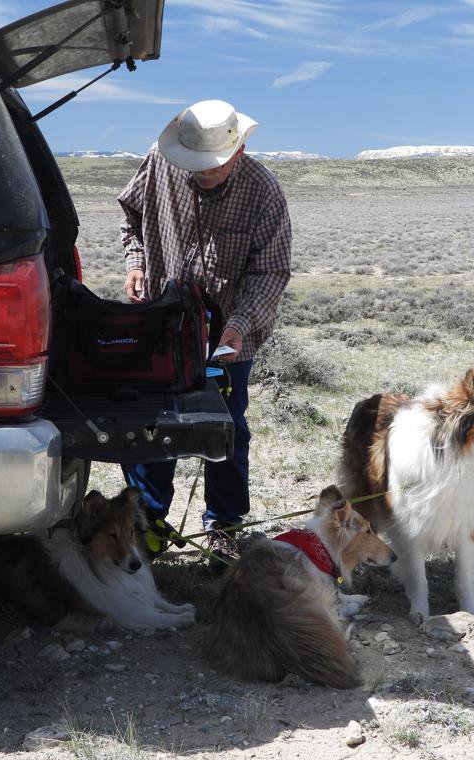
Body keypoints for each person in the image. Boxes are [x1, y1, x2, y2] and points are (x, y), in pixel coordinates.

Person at [118, 99, 292, 561]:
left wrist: (239, 326)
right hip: (162, 323)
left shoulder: (263, 191)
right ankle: (147, 525)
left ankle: (225, 527)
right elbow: (131, 215)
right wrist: (136, 262)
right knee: (154, 425)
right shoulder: (159, 163)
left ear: (238, 150)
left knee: (226, 429)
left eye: (213, 166)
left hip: (229, 335)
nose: (202, 172)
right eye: (195, 165)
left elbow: (271, 273)